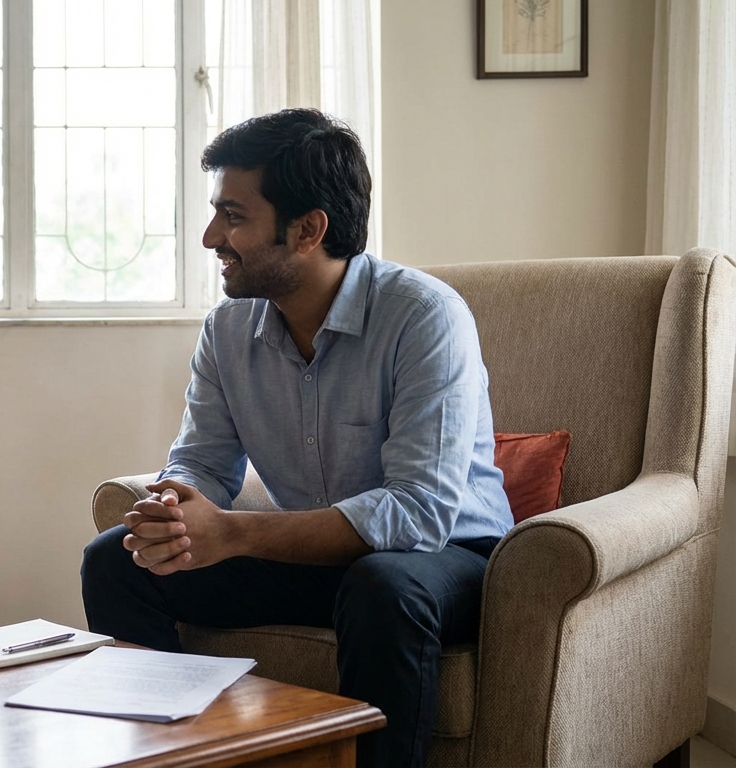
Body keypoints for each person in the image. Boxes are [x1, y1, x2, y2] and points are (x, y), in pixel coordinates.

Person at [80, 109, 513, 768]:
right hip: (324, 563)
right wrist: (174, 512)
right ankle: (177, 758)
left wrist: (236, 532)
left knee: (383, 586)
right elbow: (201, 462)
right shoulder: (228, 331)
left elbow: (419, 513)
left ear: (308, 229)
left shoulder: (425, 318)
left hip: (450, 558)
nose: (209, 236)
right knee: (116, 559)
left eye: (233, 216)